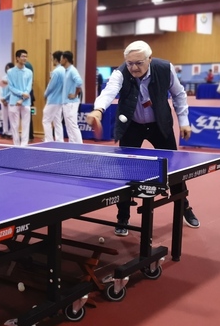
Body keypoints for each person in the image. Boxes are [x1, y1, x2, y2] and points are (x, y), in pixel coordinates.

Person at [85, 40, 198, 236]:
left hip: (159, 125)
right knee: (125, 172)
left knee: (174, 170)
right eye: (130, 63)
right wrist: (98, 110)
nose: (134, 68)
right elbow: (108, 92)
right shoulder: (120, 73)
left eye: (139, 63)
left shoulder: (165, 69)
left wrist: (184, 121)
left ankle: (184, 207)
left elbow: (179, 94)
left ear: (150, 59)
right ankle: (123, 217)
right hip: (132, 126)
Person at [6, 49, 33, 147]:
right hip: (14, 102)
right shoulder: (10, 72)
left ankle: (24, 145)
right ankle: (16, 145)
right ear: (17, 58)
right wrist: (22, 94)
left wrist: (22, 99)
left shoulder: (29, 72)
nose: (25, 58)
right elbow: (11, 87)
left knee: (26, 125)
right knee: (14, 126)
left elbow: (29, 87)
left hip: (26, 102)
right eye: (23, 56)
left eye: (26, 56)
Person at [61, 50, 83, 144]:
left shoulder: (72, 70)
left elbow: (79, 82)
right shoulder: (66, 71)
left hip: (71, 102)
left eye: (61, 59)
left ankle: (80, 145)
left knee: (73, 125)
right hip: (66, 102)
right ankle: (72, 144)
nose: (60, 60)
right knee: (68, 125)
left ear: (65, 59)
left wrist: (75, 94)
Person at [42, 51, 65, 142]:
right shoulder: (65, 70)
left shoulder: (56, 72)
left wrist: (45, 94)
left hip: (53, 99)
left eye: (53, 59)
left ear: (56, 59)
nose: (52, 61)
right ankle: (60, 141)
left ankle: (49, 140)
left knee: (46, 120)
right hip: (60, 100)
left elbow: (51, 86)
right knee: (57, 121)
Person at [0, 62, 14, 139]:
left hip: (11, 100)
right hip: (3, 100)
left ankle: (11, 133)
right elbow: (1, 89)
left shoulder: (14, 78)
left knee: (11, 117)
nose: (8, 70)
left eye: (9, 68)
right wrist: (2, 98)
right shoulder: (3, 78)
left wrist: (6, 98)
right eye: (7, 68)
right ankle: (5, 131)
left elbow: (12, 90)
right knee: (4, 117)